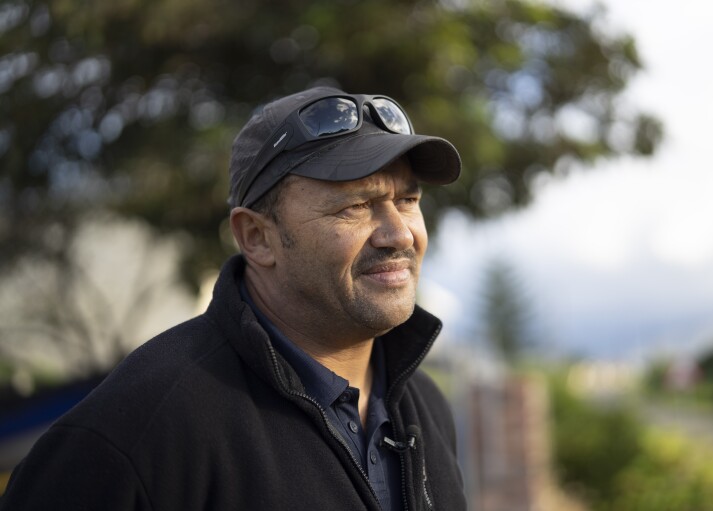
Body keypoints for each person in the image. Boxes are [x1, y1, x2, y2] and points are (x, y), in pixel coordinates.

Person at [0, 86, 466, 510]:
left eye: (407, 200)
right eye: (355, 207)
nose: (399, 233)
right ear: (257, 238)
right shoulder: (132, 436)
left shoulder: (423, 407)